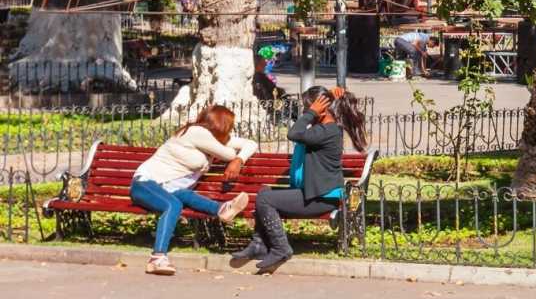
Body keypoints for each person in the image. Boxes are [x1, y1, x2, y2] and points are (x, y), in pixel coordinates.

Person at [232, 86, 366, 274]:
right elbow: (299, 133)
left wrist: (312, 112)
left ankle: (281, 248)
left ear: (321, 109)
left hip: (322, 198)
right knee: (265, 192)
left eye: (307, 107)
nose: (304, 112)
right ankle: (259, 245)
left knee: (265, 199)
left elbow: (293, 133)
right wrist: (327, 98)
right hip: (313, 195)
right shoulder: (321, 130)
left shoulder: (327, 131)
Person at [132, 105, 255, 275]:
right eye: (229, 126)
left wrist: (240, 159)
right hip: (145, 183)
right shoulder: (196, 132)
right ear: (222, 125)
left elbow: (251, 144)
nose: (231, 130)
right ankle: (157, 259)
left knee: (185, 195)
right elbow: (228, 155)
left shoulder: (213, 138)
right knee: (173, 204)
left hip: (169, 187)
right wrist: (234, 157)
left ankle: (222, 209)